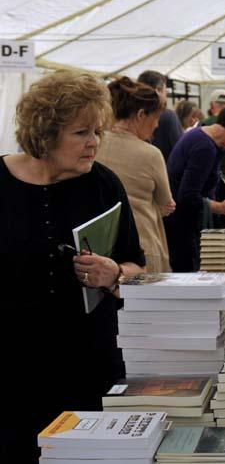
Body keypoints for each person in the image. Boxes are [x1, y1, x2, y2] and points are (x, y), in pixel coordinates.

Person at [0, 70, 146, 462]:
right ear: (45, 134)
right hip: (13, 370)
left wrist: (115, 274)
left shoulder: (104, 184)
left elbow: (137, 266)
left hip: (88, 363)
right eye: (82, 133)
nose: (95, 143)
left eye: (98, 131)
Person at [97, 77, 175, 272]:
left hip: (101, 248)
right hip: (142, 246)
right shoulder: (150, 154)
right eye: (155, 118)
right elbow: (166, 203)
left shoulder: (94, 144)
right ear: (141, 115)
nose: (157, 125)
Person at [165, 102, 225, 271]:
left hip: (181, 222)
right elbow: (187, 196)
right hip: (183, 225)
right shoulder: (205, 148)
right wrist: (220, 207)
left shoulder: (203, 136)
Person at [137, 70, 183, 162]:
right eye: (165, 91)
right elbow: (180, 151)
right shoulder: (168, 116)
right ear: (158, 91)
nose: (166, 96)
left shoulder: (130, 115)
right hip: (163, 171)